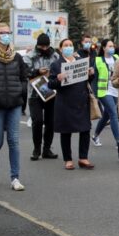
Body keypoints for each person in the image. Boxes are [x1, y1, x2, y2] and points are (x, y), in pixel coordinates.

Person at [48, 38, 95, 171]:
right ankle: (68, 159)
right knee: (66, 131)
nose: (69, 47)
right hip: (65, 102)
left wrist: (91, 74)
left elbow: (88, 80)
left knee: (85, 129)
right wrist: (58, 78)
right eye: (66, 45)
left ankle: (83, 157)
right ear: (61, 49)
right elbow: (50, 84)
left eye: (70, 45)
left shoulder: (81, 62)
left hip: (81, 101)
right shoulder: (56, 64)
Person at [0, 22, 28, 191]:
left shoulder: (16, 56)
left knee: (14, 141)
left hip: (14, 104)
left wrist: (20, 91)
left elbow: (24, 77)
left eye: (7, 32)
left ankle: (15, 178)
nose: (5, 35)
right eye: (1, 33)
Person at [23, 33, 59, 160]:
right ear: (37, 45)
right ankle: (36, 149)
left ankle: (47, 149)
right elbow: (24, 72)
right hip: (34, 94)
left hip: (50, 92)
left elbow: (59, 70)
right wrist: (37, 72)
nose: (44, 49)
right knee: (37, 121)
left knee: (50, 122)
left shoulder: (55, 55)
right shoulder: (29, 56)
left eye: (46, 46)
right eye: (41, 46)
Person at [90, 39, 119, 147]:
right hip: (103, 91)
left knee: (106, 116)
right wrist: (95, 93)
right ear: (103, 48)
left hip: (116, 90)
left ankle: (95, 136)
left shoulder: (117, 58)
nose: (112, 48)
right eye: (109, 46)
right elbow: (94, 78)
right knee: (113, 113)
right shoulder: (98, 60)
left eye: (113, 46)